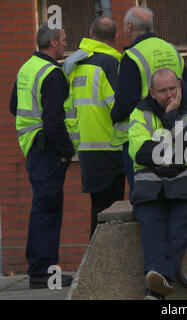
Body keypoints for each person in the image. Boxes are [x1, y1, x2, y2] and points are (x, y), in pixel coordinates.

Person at [128, 68, 187, 300]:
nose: (169, 95)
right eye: (163, 91)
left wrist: (172, 116)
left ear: (180, 87)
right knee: (152, 225)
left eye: (173, 89)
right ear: (152, 93)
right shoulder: (140, 113)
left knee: (177, 227)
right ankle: (158, 286)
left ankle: (155, 288)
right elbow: (140, 152)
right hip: (150, 184)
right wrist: (177, 153)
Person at [9, 23, 75, 289]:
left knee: (42, 208)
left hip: (34, 147)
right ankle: (43, 273)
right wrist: (67, 152)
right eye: (63, 40)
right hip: (47, 150)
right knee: (48, 210)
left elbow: (15, 106)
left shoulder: (27, 67)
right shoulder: (52, 73)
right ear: (52, 42)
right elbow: (53, 121)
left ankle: (41, 270)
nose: (65, 44)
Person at [110, 7, 187, 198]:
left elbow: (125, 102)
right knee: (174, 194)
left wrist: (113, 116)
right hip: (173, 132)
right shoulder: (173, 50)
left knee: (146, 198)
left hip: (143, 138)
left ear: (129, 26)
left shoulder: (133, 55)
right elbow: (185, 92)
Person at [63, 16, 125, 238]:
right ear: (116, 37)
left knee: (97, 208)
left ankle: (94, 266)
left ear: (90, 33)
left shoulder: (75, 64)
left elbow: (68, 107)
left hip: (87, 148)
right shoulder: (111, 64)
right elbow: (118, 108)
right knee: (109, 213)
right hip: (110, 146)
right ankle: (100, 267)